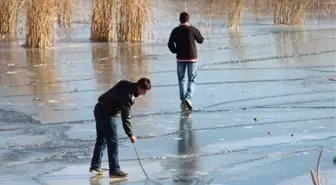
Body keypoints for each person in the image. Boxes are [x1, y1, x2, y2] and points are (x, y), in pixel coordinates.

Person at [89, 78, 151, 178]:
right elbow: (125, 116)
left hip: (99, 109)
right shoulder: (129, 96)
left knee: (101, 139)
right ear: (139, 87)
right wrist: (130, 134)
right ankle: (114, 169)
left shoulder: (126, 83)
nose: (144, 94)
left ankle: (95, 166)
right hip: (107, 113)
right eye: (144, 91)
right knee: (113, 141)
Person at [167, 12, 204, 110]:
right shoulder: (192, 29)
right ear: (188, 20)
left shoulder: (175, 30)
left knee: (181, 79)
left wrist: (176, 51)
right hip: (192, 57)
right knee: (192, 78)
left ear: (180, 20)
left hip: (180, 58)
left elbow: (170, 44)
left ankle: (184, 101)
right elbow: (201, 40)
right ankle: (188, 98)